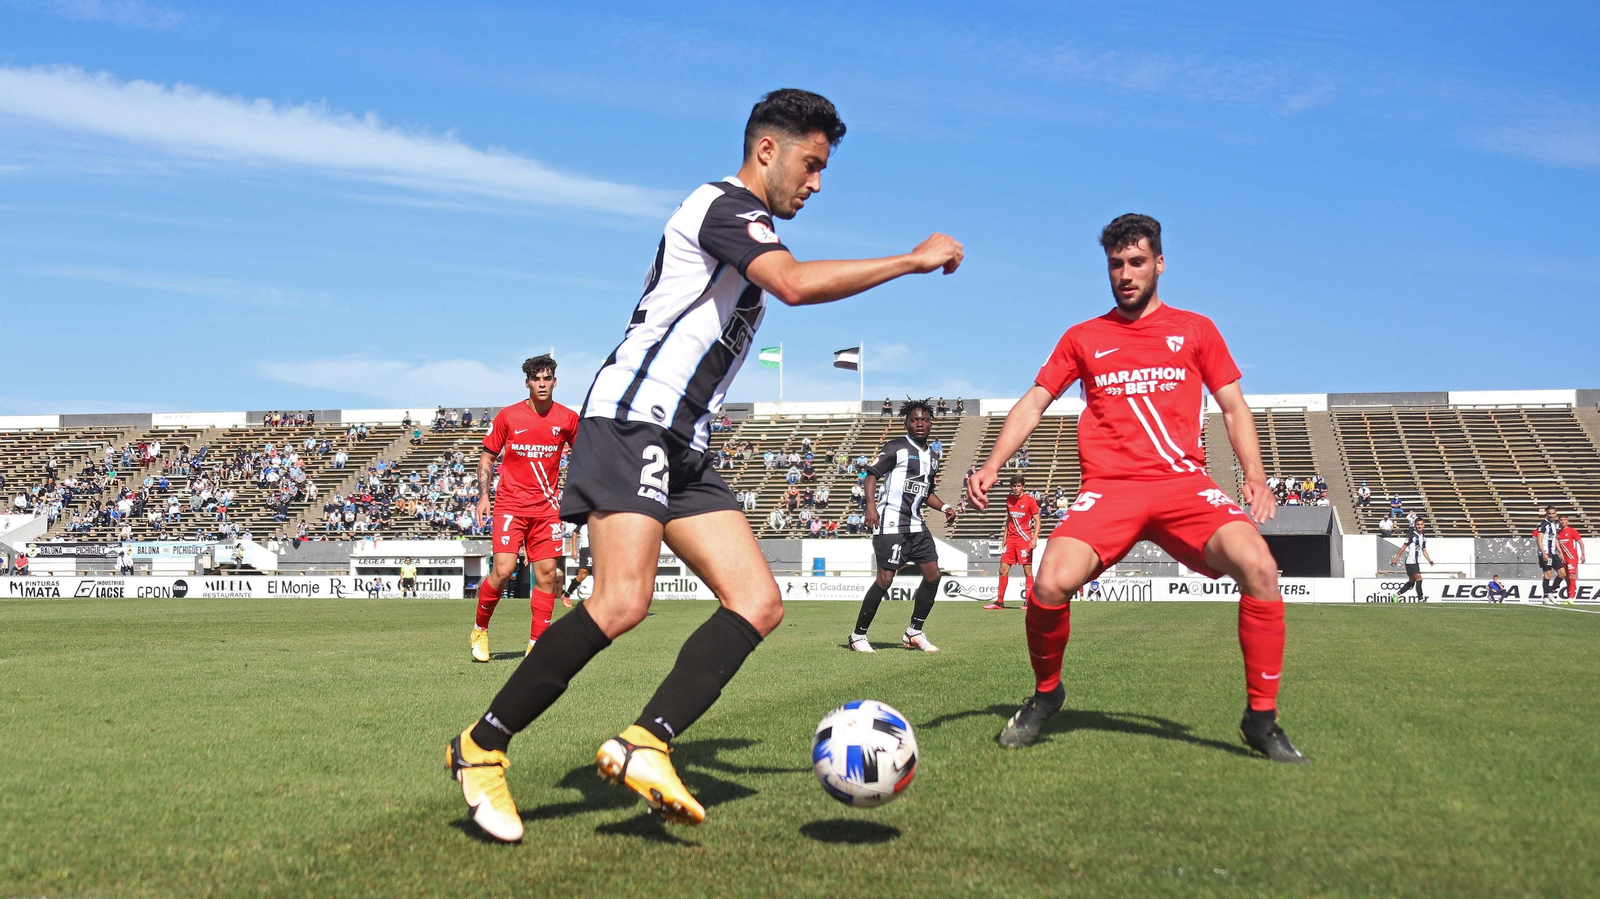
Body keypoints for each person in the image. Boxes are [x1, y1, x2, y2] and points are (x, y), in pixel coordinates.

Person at [446, 88, 963, 841]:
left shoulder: (745, 226)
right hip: (632, 418)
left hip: (684, 438)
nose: (815, 184)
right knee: (622, 601)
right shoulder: (722, 206)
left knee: (757, 600)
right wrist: (911, 260)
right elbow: (792, 282)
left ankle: (645, 742)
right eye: (811, 165)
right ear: (766, 151)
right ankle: (480, 746)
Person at [966, 213, 1305, 763]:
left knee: (1261, 568)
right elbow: (1034, 401)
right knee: (1048, 585)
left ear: (1159, 264)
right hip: (1111, 489)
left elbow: (1234, 406)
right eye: (1116, 264)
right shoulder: (1083, 337)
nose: (1126, 274)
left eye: (1137, 262)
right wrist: (990, 464)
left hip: (1183, 485)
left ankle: (1261, 720)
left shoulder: (1196, 329)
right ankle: (1047, 695)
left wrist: (1256, 476)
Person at [470, 355, 580, 663]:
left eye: (547, 379)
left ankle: (537, 646)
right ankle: (480, 628)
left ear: (555, 382)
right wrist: (483, 497)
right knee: (503, 570)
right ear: (528, 383)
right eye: (537, 379)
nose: (542, 384)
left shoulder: (568, 419)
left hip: (547, 509)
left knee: (547, 574)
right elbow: (487, 459)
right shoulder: (508, 416)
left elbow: (584, 456)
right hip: (510, 505)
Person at [848, 400, 957, 653]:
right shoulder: (895, 447)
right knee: (885, 579)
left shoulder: (933, 456)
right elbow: (871, 474)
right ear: (907, 423)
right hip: (891, 524)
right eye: (915, 419)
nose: (920, 423)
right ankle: (857, 636)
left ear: (931, 422)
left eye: (925, 419)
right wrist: (871, 507)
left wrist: (945, 507)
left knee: (933, 575)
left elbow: (926, 491)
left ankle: (914, 632)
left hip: (917, 526)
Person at [984, 475, 1039, 610]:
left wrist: (1034, 539)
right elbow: (1010, 519)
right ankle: (999, 602)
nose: (1016, 488)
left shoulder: (1030, 501)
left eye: (1018, 486)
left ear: (1023, 486)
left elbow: (1038, 521)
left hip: (1024, 539)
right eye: (1014, 486)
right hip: (1011, 540)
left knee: (1027, 570)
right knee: (1003, 569)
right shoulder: (1009, 500)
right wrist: (1004, 537)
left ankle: (1028, 601)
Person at [1388, 517, 1433, 600]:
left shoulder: (1423, 536)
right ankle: (1421, 598)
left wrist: (1429, 560)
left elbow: (1424, 550)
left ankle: (1396, 595)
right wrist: (1396, 558)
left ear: (1424, 525)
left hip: (1415, 562)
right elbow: (1403, 547)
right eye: (1417, 524)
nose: (1419, 526)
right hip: (1410, 561)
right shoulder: (1411, 535)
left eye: (1421, 524)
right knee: (1419, 579)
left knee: (1412, 582)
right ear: (1415, 525)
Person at [1533, 506, 1564, 601]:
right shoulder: (1543, 524)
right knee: (1548, 574)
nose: (1551, 515)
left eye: (1552, 513)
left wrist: (1560, 552)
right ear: (1547, 514)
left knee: (1562, 573)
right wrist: (1543, 553)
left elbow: (1555, 540)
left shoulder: (1556, 525)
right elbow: (1539, 539)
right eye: (1549, 513)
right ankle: (1545, 597)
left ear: (1556, 514)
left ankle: (1551, 591)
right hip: (1546, 552)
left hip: (1554, 553)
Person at [560, 523, 591, 608]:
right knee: (583, 573)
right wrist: (574, 549)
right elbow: (575, 532)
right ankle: (566, 595)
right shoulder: (584, 519)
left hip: (599, 548)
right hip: (586, 549)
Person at [1556, 514, 1584, 604]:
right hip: (1563, 558)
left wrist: (1583, 554)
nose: (1563, 521)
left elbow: (1580, 542)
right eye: (1561, 520)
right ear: (1559, 521)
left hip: (1572, 557)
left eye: (1564, 520)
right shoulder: (1558, 533)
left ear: (1567, 521)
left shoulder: (1572, 531)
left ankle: (1571, 598)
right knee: (1566, 577)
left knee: (1572, 576)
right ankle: (1569, 597)